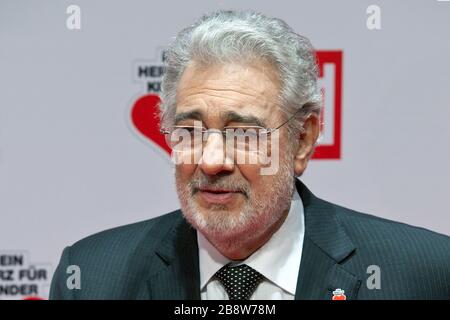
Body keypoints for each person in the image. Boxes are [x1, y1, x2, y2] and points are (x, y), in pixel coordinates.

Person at [50, 10, 450, 300]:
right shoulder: (91, 278)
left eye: (242, 133)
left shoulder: (425, 275)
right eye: (190, 131)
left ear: (304, 138)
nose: (210, 161)